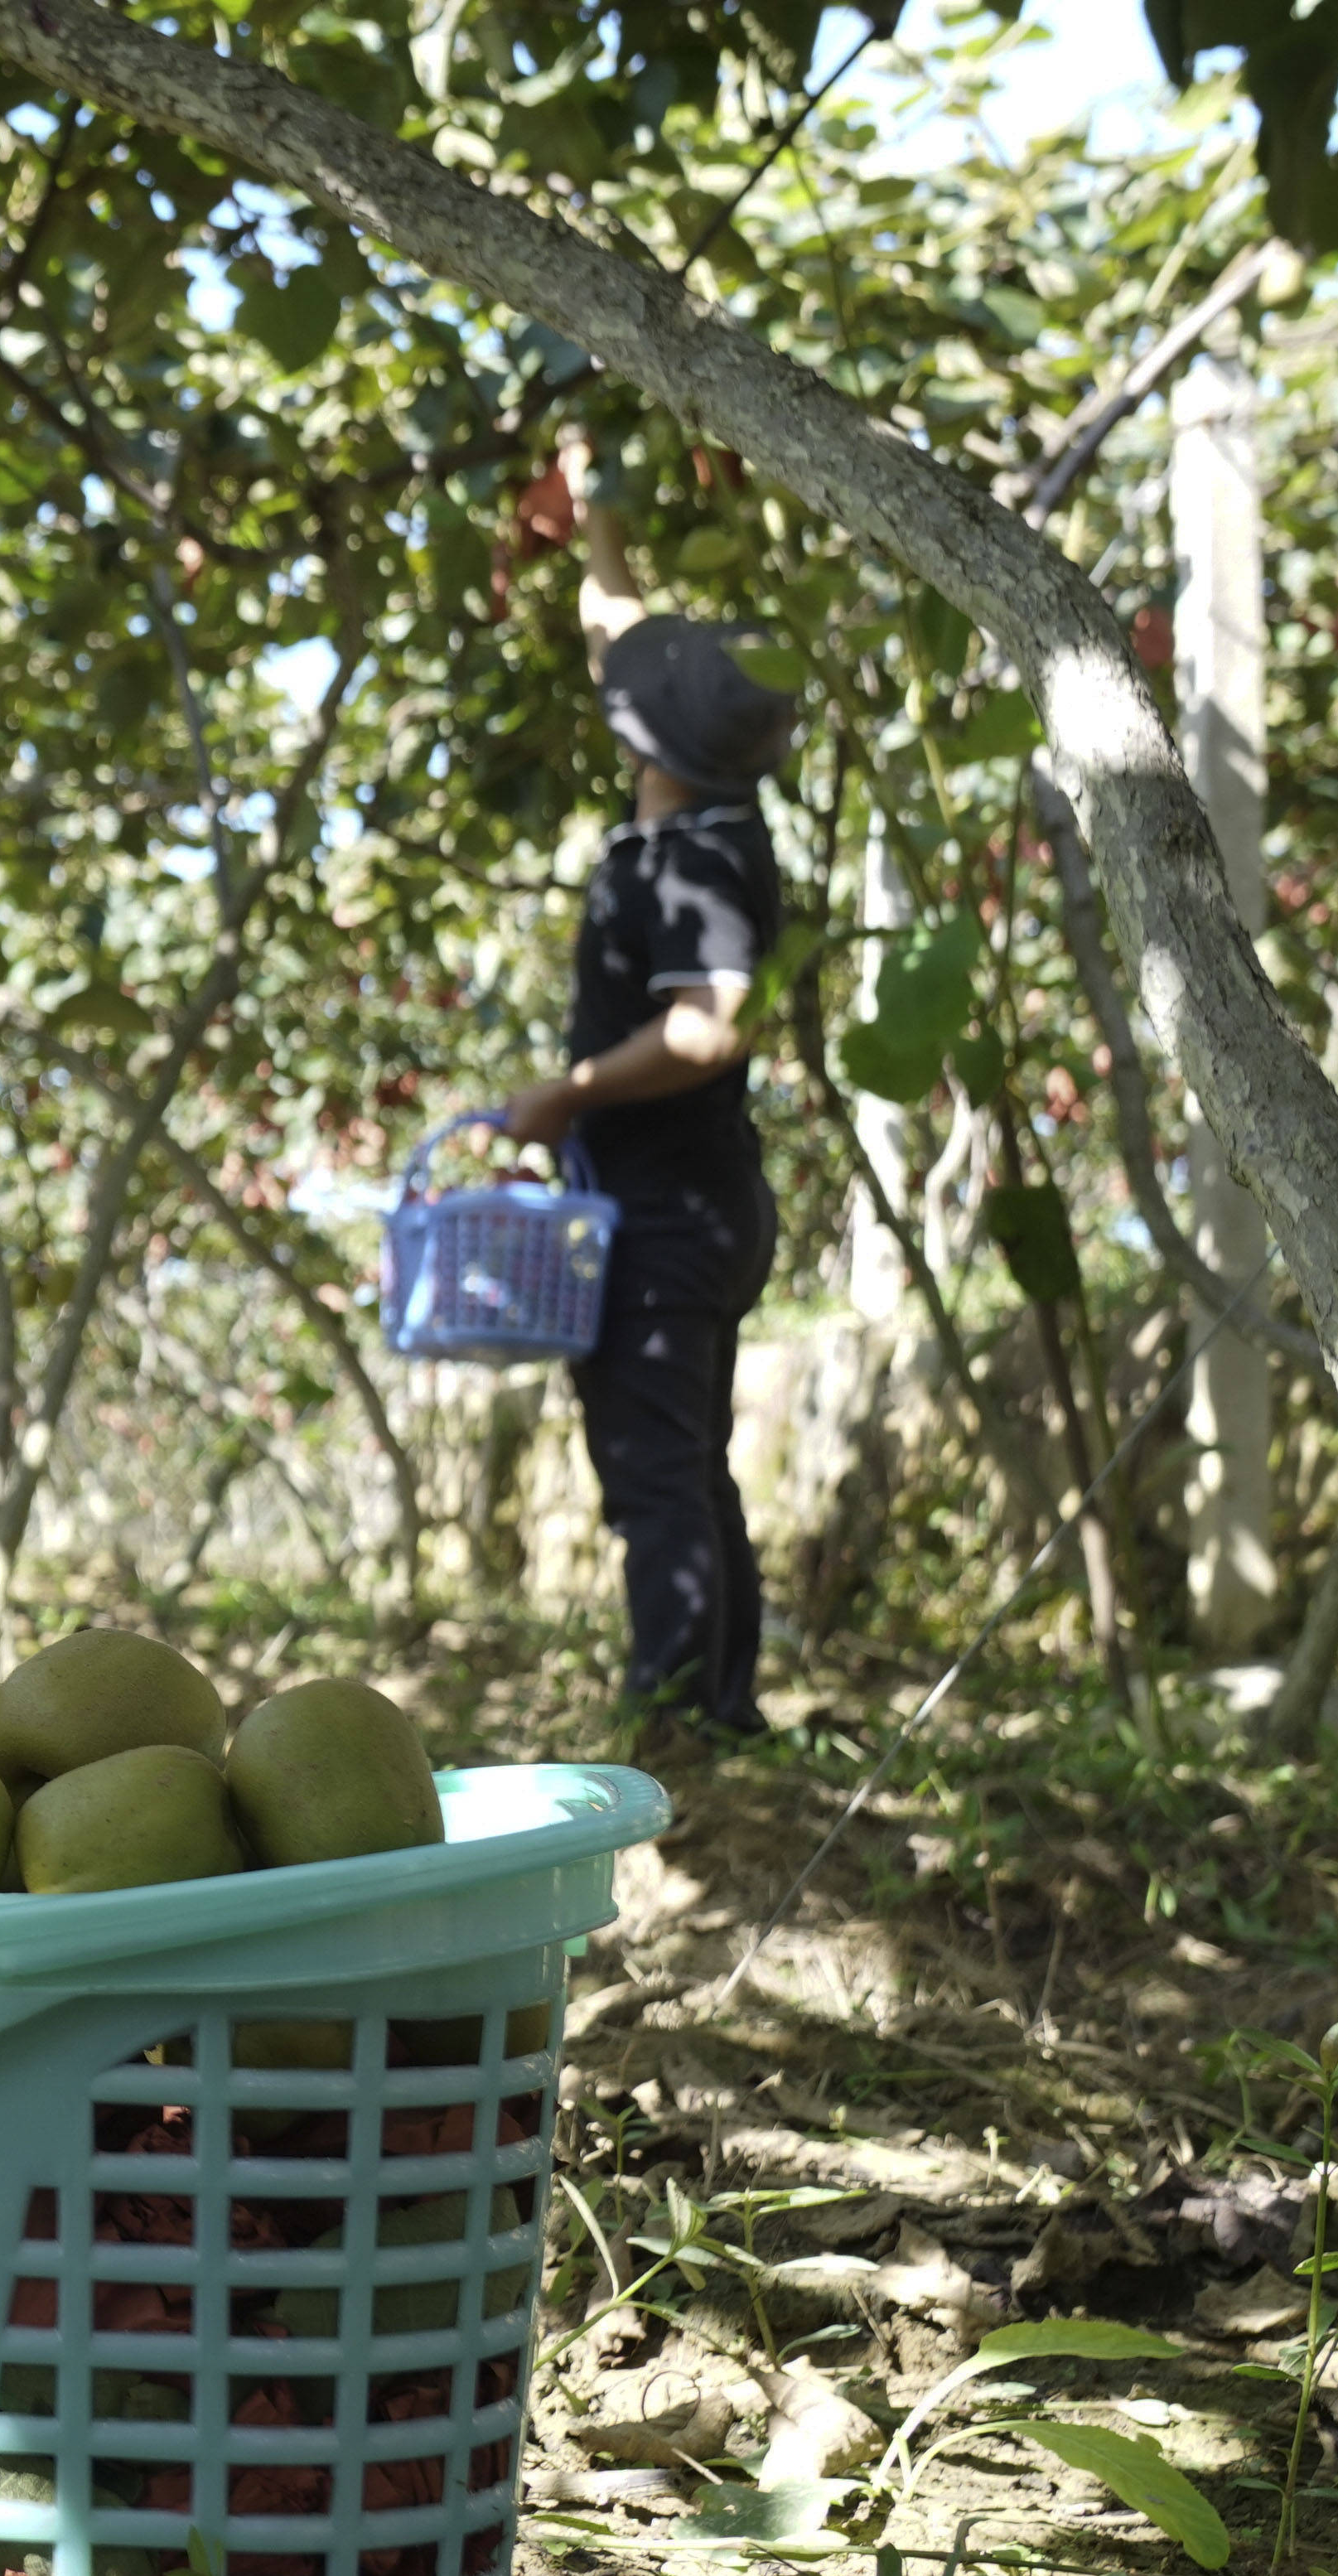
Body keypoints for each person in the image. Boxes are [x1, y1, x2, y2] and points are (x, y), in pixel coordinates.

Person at [498, 440, 797, 1747]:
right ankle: (718, 1703)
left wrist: (565, 1094)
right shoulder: (682, 819)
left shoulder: (712, 855)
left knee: (655, 1470)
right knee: (684, 1462)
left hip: (675, 1215)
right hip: (679, 1204)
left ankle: (680, 1716)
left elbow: (709, 1025)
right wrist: (596, 503)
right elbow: (614, 626)